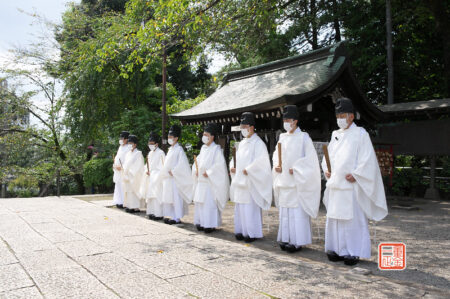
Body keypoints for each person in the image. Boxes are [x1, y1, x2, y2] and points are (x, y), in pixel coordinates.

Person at [322, 97, 388, 266]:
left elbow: (368, 160)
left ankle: (353, 252)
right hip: (336, 184)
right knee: (335, 218)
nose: (340, 119)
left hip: (351, 185)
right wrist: (326, 169)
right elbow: (327, 156)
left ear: (351, 116)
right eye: (338, 116)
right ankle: (335, 249)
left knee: (352, 220)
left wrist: (357, 174)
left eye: (343, 115)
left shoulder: (360, 134)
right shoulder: (335, 134)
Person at [272, 105, 321, 252]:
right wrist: (277, 166)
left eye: (289, 120)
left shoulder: (303, 137)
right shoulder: (282, 137)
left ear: (295, 121)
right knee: (285, 212)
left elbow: (310, 159)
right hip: (284, 180)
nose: (286, 122)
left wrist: (298, 169)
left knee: (297, 213)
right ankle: (286, 238)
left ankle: (297, 241)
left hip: (297, 182)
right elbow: (276, 155)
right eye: (284, 119)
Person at [230, 112, 272, 243]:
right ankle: (241, 230)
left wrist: (249, 169)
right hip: (240, 180)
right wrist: (233, 166)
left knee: (250, 208)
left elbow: (262, 162)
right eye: (241, 126)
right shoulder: (241, 143)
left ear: (252, 127)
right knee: (241, 208)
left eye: (245, 126)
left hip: (250, 181)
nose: (243, 129)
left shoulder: (258, 143)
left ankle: (252, 232)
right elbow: (235, 159)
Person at [192, 123, 230, 233]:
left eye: (206, 134)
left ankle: (209, 224)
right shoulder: (203, 149)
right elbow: (197, 163)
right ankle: (200, 222)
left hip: (209, 182)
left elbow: (219, 166)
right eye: (203, 134)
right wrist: (195, 170)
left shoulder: (216, 149)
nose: (204, 136)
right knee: (200, 203)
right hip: (201, 181)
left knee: (208, 204)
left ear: (212, 137)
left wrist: (209, 172)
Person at [159, 125, 193, 224]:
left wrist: (174, 171)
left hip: (175, 178)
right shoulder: (170, 150)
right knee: (169, 198)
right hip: (168, 178)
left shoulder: (179, 150)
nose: (169, 139)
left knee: (176, 198)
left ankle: (177, 217)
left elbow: (182, 164)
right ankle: (170, 215)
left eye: (171, 137)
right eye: (168, 137)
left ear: (176, 138)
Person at [140, 132, 165, 220]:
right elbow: (147, 165)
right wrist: (147, 170)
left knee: (156, 196)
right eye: (149, 144)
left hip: (157, 177)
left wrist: (154, 173)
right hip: (150, 177)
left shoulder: (161, 153)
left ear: (156, 144)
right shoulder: (150, 153)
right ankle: (151, 212)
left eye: (152, 144)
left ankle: (158, 213)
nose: (150, 145)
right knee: (150, 196)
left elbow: (162, 167)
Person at [122, 135, 145, 213]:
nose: (129, 145)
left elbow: (139, 166)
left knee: (134, 190)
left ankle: (135, 207)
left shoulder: (138, 153)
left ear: (135, 144)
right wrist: (124, 170)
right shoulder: (128, 154)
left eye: (131, 143)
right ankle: (129, 205)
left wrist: (130, 172)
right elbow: (125, 164)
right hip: (127, 175)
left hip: (133, 175)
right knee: (128, 191)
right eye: (129, 143)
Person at [112, 131, 131, 209]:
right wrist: (115, 165)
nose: (120, 140)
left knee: (123, 186)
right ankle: (118, 201)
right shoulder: (120, 147)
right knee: (118, 186)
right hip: (118, 170)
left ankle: (124, 202)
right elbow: (117, 157)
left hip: (123, 169)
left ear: (126, 139)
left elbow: (128, 159)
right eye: (120, 138)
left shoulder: (128, 147)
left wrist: (122, 167)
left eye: (122, 138)